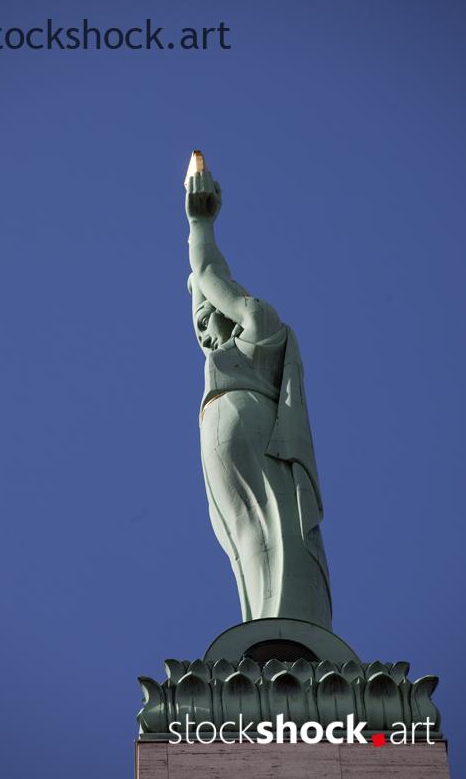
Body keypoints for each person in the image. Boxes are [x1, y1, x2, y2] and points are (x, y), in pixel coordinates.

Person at [186, 168, 332, 629]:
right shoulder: (230, 356)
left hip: (255, 439)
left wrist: (200, 226)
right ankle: (273, 629)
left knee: (278, 538)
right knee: (257, 550)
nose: (204, 330)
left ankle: (283, 629)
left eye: (208, 315)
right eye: (198, 324)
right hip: (232, 447)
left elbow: (208, 272)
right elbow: (205, 280)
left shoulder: (261, 328)